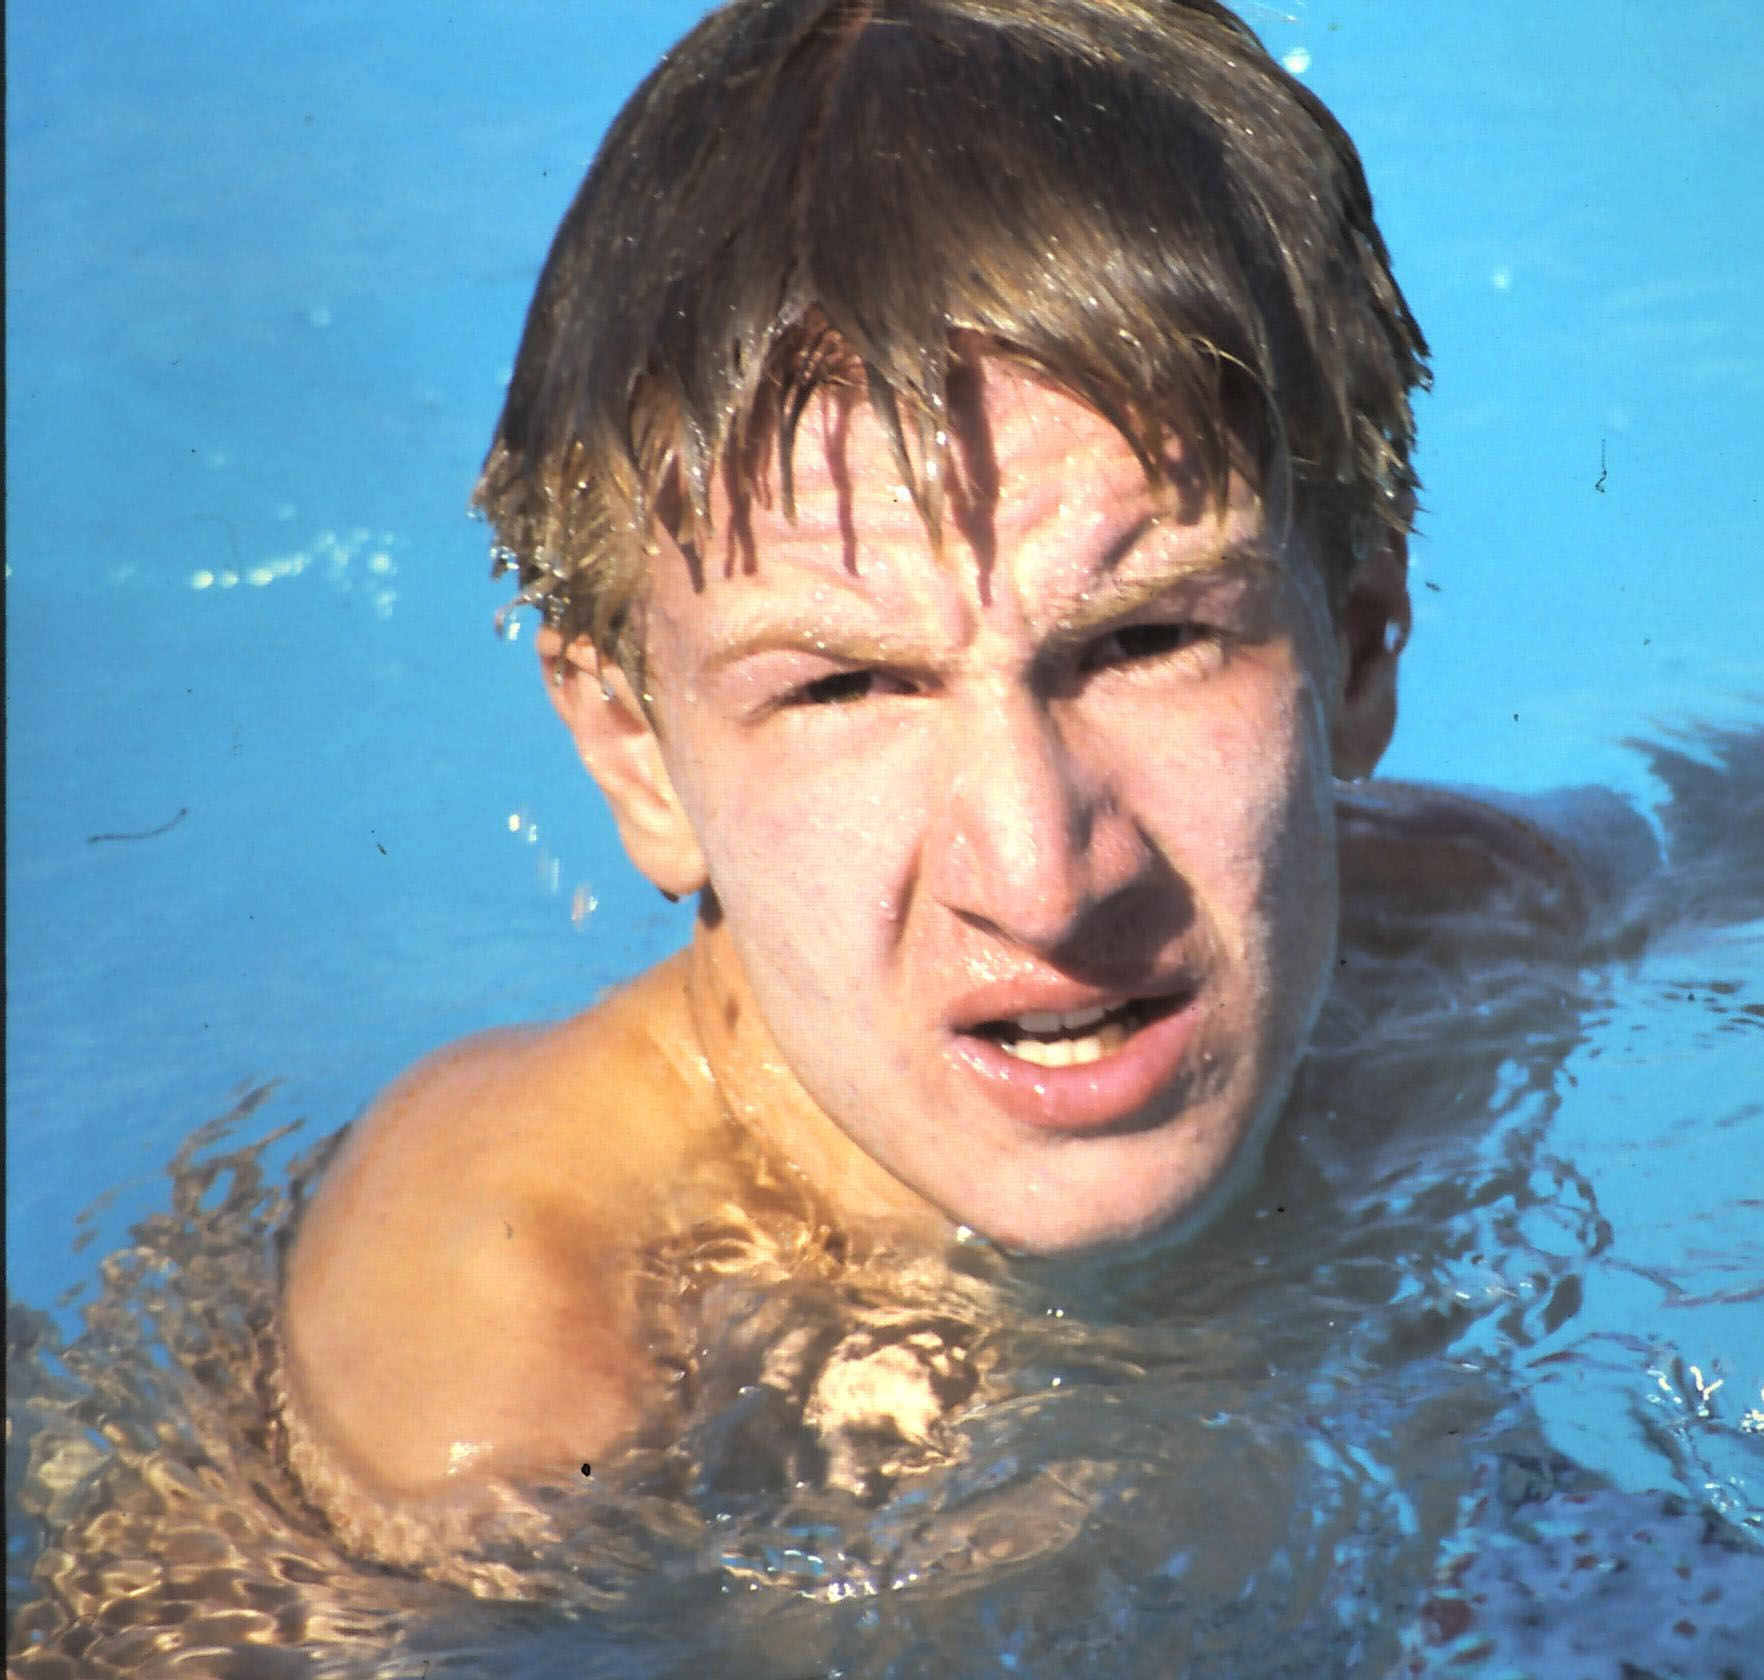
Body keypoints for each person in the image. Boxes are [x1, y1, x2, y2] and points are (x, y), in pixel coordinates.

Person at [276, 0, 1637, 1567]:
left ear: (1363, 651)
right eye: (846, 686)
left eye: (1143, 641)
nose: (1043, 880)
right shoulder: (518, 1381)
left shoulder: (1476, 936)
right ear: (635, 756)